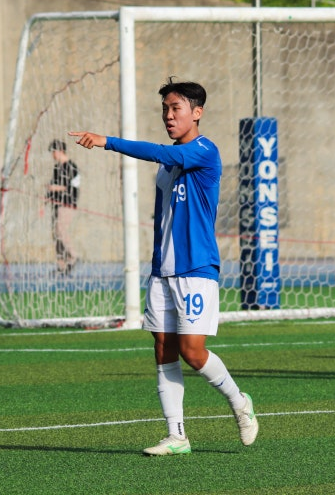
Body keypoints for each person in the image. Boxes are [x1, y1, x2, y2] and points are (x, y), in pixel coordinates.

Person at [70, 79, 258, 455]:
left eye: (176, 109)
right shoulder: (171, 161)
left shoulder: (204, 151)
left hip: (196, 267)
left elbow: (158, 153)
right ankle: (177, 435)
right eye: (165, 110)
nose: (169, 116)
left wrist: (108, 141)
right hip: (163, 269)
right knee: (162, 348)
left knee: (192, 351)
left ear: (197, 112)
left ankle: (239, 402)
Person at [46, 139, 80, 276]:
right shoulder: (56, 168)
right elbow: (51, 186)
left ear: (60, 151)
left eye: (54, 152)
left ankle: (73, 256)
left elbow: (71, 188)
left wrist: (55, 188)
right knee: (56, 235)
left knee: (61, 230)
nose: (53, 155)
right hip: (56, 204)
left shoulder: (71, 167)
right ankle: (62, 265)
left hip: (67, 204)